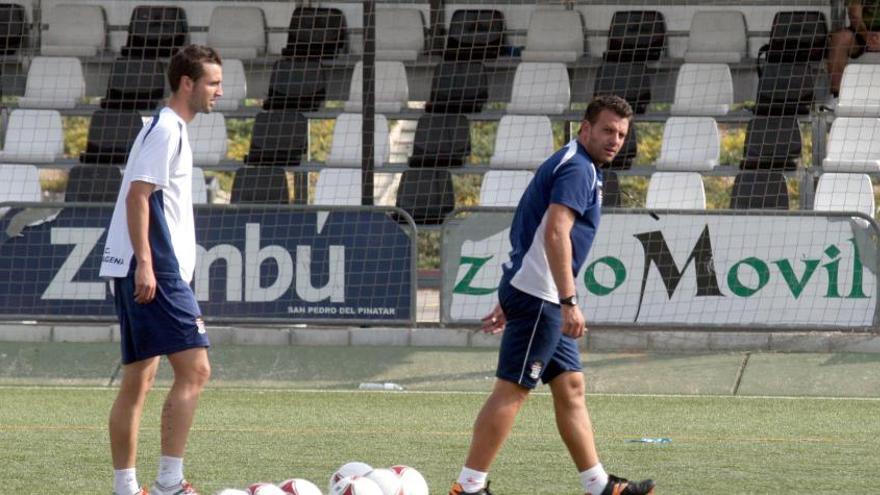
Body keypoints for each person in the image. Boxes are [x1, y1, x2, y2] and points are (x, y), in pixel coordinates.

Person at [448, 95, 654, 495]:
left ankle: (598, 486)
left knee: (571, 386)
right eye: (607, 130)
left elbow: (532, 227)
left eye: (622, 134)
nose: (615, 140)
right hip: (543, 298)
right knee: (513, 389)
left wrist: (514, 297)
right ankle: (469, 487)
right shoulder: (577, 168)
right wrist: (568, 301)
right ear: (585, 128)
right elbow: (555, 232)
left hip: (535, 292)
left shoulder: (578, 162)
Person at [99, 44, 223, 495]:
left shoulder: (168, 128)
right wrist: (148, 266)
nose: (219, 91)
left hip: (146, 264)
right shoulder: (167, 129)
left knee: (140, 378)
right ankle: (170, 482)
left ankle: (126, 488)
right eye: (212, 82)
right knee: (196, 370)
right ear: (187, 83)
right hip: (154, 267)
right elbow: (138, 195)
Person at [827, 0, 880, 96]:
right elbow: (855, 15)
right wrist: (867, 36)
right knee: (840, 38)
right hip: (862, 31)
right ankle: (836, 96)